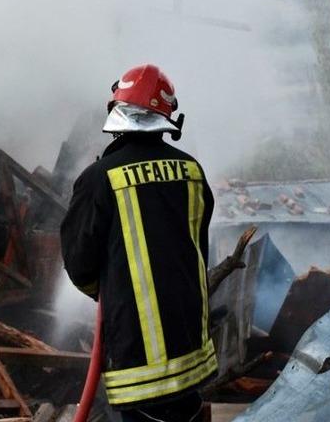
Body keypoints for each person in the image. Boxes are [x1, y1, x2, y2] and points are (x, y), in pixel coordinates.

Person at [60, 64, 216, 422]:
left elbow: (80, 264)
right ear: (167, 115)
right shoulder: (192, 171)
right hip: (191, 347)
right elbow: (196, 246)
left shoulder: (100, 178)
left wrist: (111, 291)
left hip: (139, 362)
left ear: (117, 111)